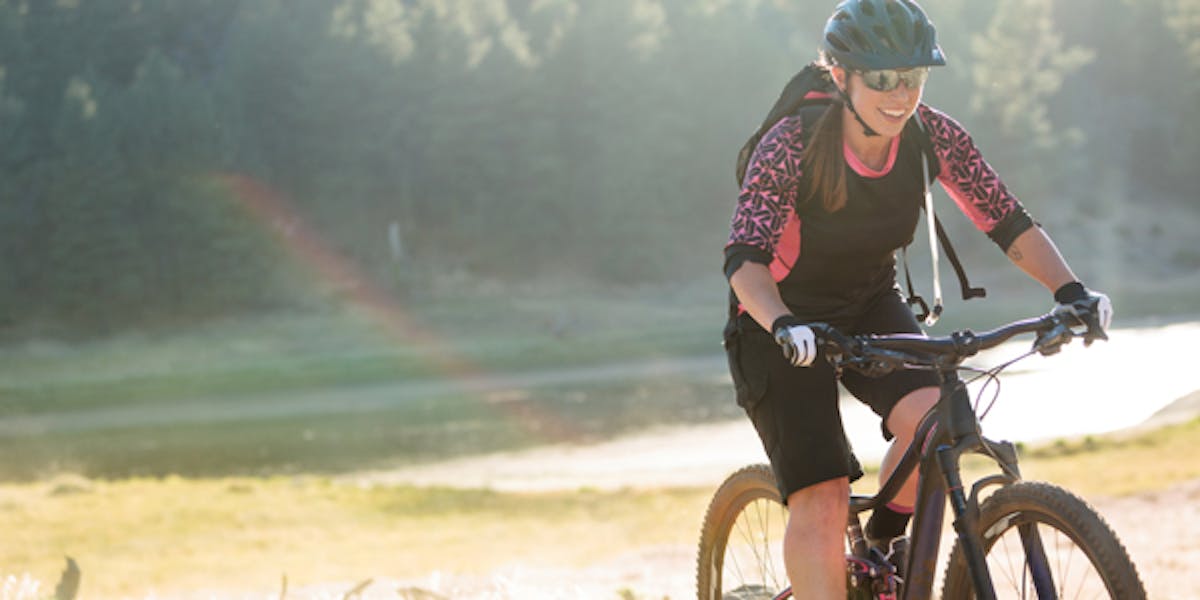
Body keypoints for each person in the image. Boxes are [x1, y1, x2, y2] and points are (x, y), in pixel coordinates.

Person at [721, 0, 1113, 596]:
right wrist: (781, 325)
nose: (899, 93)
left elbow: (1005, 219)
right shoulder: (793, 144)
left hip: (868, 301)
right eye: (881, 78)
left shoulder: (933, 135)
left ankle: (877, 550)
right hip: (777, 319)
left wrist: (1070, 291)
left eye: (912, 77)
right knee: (822, 494)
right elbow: (745, 261)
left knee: (937, 428)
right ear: (841, 75)